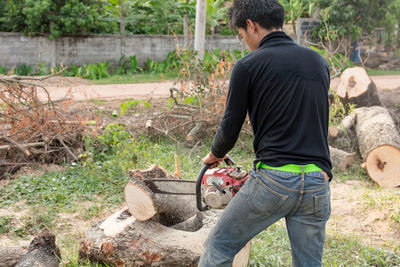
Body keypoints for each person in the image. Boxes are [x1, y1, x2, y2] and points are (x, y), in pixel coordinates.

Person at [199, 0, 332, 266]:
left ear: (251, 25)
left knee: (219, 245)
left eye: (241, 35)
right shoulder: (318, 61)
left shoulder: (248, 65)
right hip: (318, 181)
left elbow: (230, 125)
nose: (244, 41)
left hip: (274, 182)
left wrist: (214, 155)